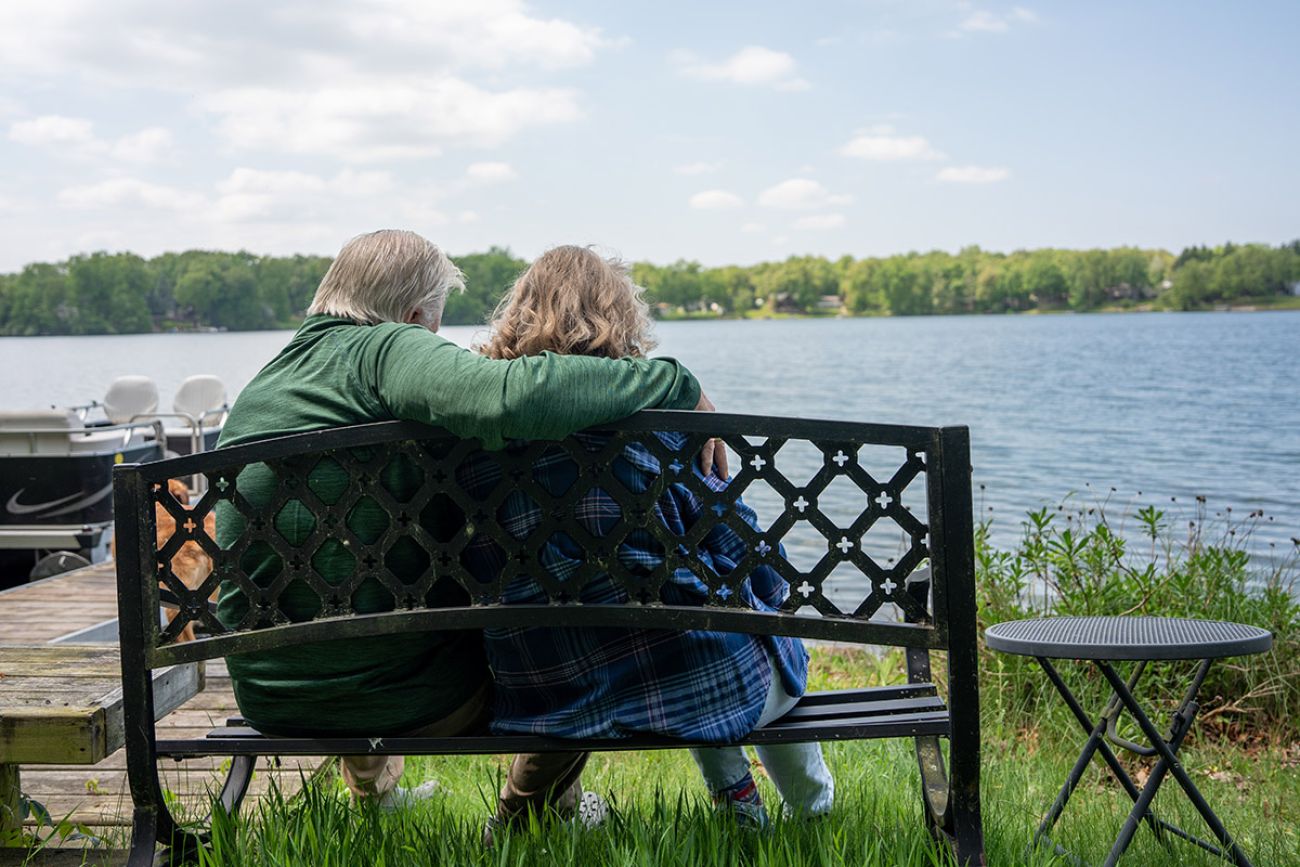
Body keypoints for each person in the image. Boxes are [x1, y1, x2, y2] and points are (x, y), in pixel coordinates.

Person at [213, 230, 721, 819]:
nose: (431, 343)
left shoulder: (270, 384)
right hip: (401, 697)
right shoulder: (385, 347)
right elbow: (505, 400)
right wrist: (674, 382)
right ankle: (527, 812)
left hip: (269, 693)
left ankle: (375, 798)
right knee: (566, 638)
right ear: (409, 316)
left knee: (355, 568)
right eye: (433, 327)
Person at [461, 245, 834, 829]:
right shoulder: (658, 430)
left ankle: (740, 795)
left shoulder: (477, 443)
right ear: (620, 317)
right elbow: (751, 560)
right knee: (743, 632)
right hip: (686, 684)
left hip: (545, 688)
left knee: (693, 626)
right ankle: (812, 811)